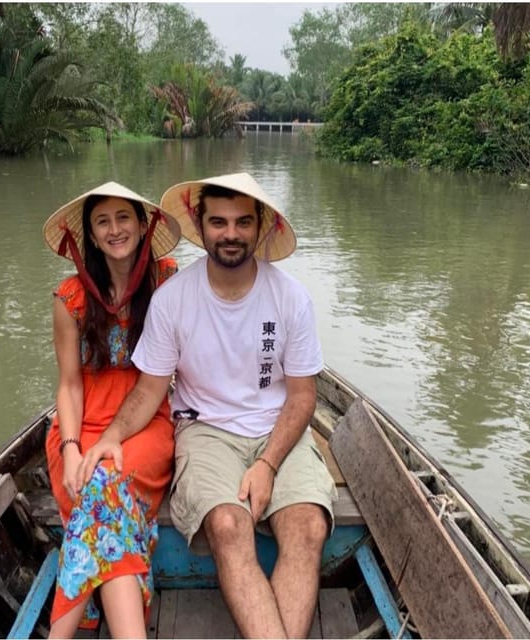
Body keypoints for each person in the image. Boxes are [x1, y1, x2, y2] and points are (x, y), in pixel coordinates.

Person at [77, 173, 336, 638]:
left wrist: (269, 465)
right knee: (226, 524)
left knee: (309, 526)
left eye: (242, 222)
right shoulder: (174, 299)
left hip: (279, 430)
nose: (230, 233)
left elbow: (302, 396)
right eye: (218, 222)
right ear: (201, 224)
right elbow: (150, 390)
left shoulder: (291, 298)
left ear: (261, 226)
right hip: (206, 431)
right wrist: (111, 436)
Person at [41, 182, 181, 638]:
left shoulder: (168, 281)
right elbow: (68, 384)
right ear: (92, 236)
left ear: (143, 226)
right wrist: (71, 446)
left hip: (145, 422)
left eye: (124, 218)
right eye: (103, 221)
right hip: (80, 426)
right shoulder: (71, 298)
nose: (115, 229)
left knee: (105, 487)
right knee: (96, 486)